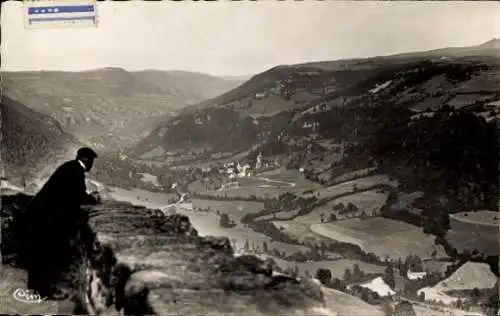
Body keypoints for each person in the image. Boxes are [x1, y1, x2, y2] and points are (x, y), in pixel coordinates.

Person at [23, 147, 101, 300]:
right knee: (51, 253)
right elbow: (79, 196)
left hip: (40, 213)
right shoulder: (76, 172)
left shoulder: (69, 167)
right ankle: (45, 292)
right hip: (50, 218)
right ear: (89, 161)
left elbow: (72, 192)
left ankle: (35, 286)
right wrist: (94, 199)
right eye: (91, 161)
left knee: (41, 252)